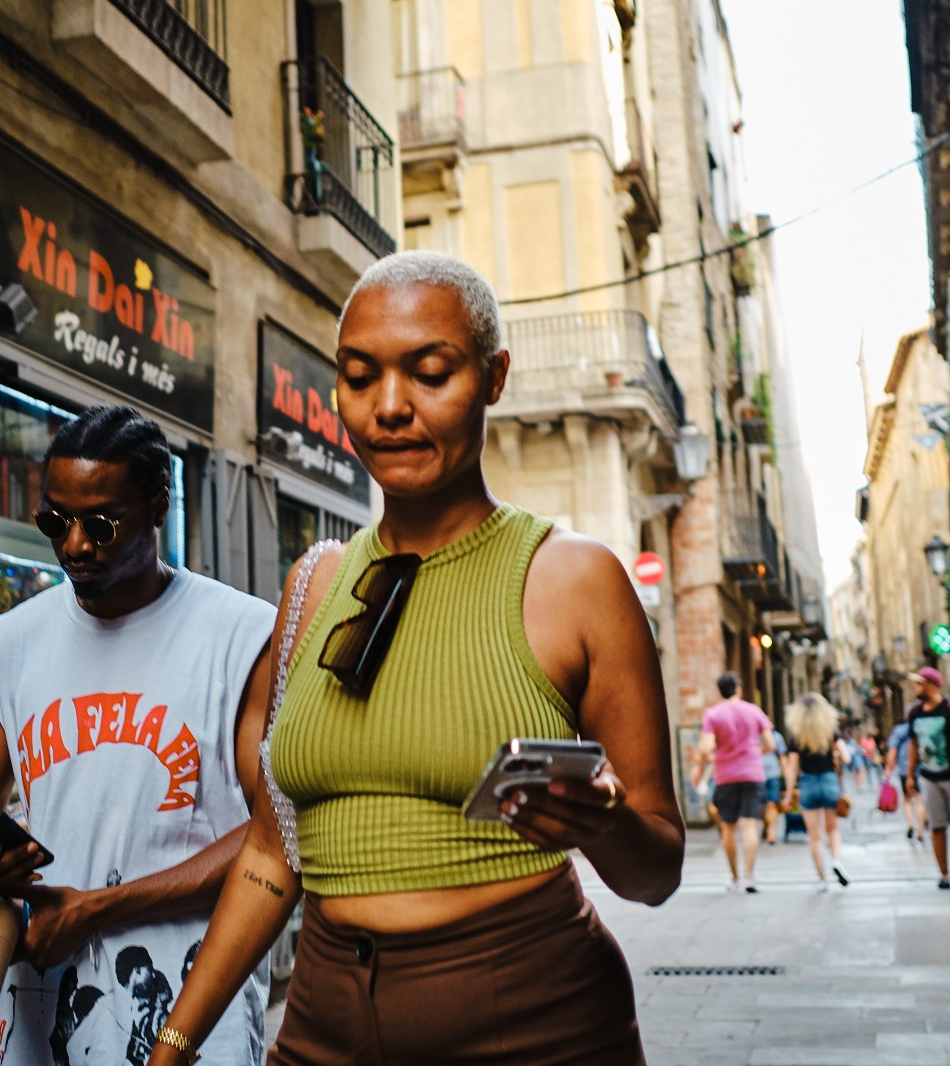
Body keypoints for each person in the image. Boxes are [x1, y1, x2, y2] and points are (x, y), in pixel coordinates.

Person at [147, 251, 685, 1066]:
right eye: (359, 377)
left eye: (430, 372)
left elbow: (657, 870)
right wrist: (174, 1041)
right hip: (324, 1022)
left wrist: (602, 821)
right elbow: (271, 848)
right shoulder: (314, 583)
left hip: (532, 1020)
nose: (390, 407)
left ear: (493, 377)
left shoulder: (576, 579)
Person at [0, 406, 277, 1066]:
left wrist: (98, 909)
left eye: (100, 524)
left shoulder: (241, 637)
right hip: (45, 1000)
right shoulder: (6, 647)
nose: (74, 545)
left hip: (195, 1004)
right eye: (55, 521)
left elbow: (273, 833)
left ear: (157, 507)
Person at [692, 672, 775, 892]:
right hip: (752, 773)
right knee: (749, 825)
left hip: (726, 776)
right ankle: (750, 876)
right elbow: (770, 744)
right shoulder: (753, 711)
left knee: (728, 828)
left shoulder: (713, 714)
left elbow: (706, 747)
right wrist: (756, 751)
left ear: (721, 691)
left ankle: (735, 878)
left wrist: (705, 763)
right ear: (738, 689)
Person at [904, 666, 950, 889]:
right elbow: (914, 745)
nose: (915, 688)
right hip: (929, 778)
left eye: (919, 683)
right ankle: (944, 875)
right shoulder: (915, 713)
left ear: (932, 685)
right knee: (937, 827)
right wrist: (910, 775)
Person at [784, 693, 848, 891]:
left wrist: (787, 795)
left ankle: (822, 879)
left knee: (815, 836)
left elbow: (793, 768)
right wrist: (837, 754)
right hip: (829, 780)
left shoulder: (797, 737)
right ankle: (836, 860)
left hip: (808, 783)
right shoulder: (831, 732)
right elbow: (847, 758)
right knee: (833, 829)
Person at [884, 717, 925, 841]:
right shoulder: (920, 727)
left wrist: (888, 769)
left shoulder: (899, 730)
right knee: (919, 799)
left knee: (907, 799)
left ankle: (910, 824)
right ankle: (921, 830)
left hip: (904, 769)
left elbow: (893, 750)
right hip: (921, 768)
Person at [761, 725, 789, 845]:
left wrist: (787, 774)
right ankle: (766, 826)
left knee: (772, 803)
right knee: (760, 806)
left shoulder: (777, 737)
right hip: (756, 775)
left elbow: (782, 756)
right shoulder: (753, 736)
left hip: (773, 774)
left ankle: (771, 831)